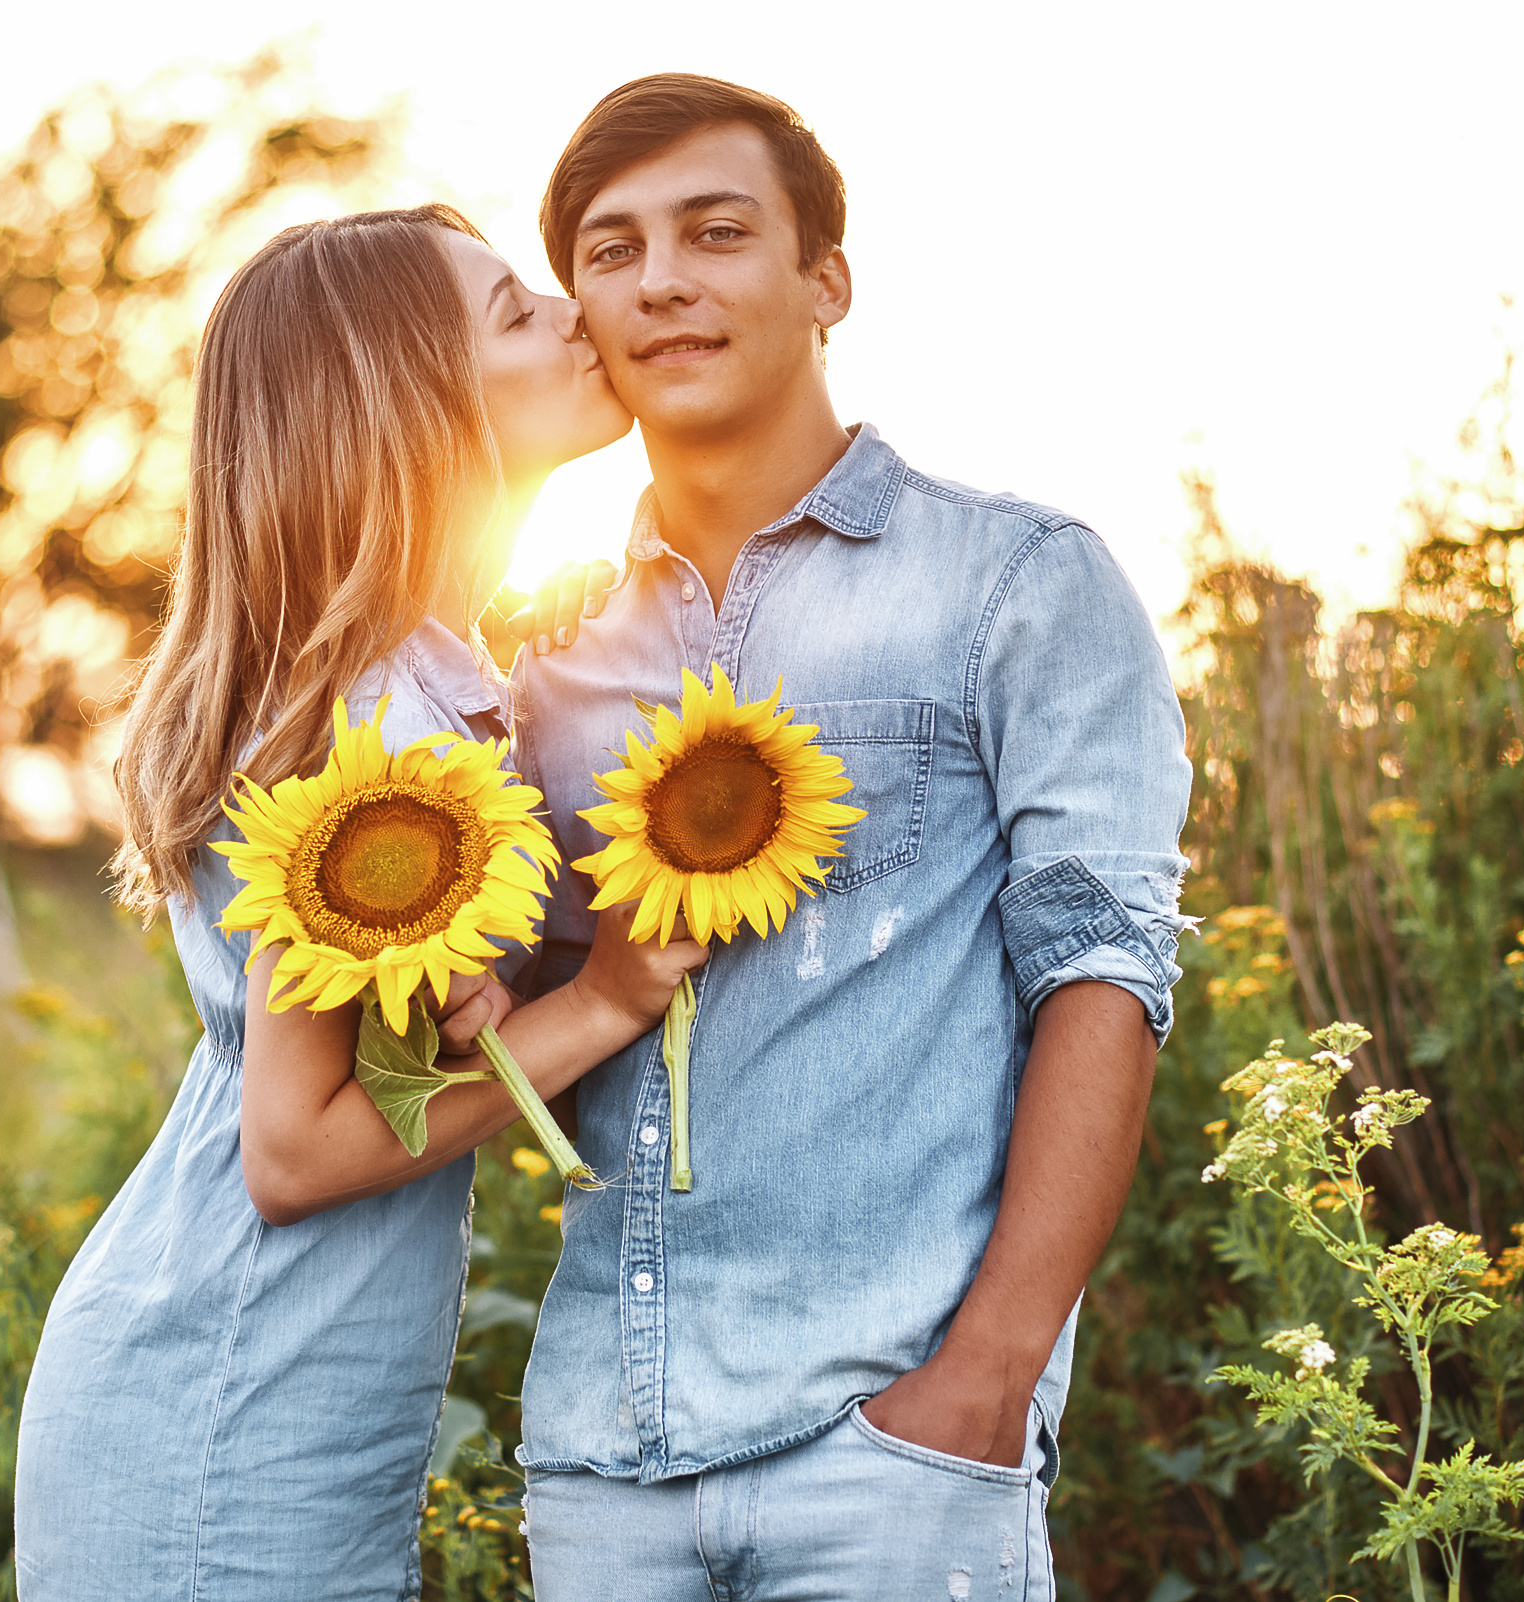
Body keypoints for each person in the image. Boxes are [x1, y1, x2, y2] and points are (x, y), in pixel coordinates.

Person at [507, 76, 1192, 1595]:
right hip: (603, 1466)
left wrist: (985, 1381)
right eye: (610, 252)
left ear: (829, 279)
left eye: (716, 230)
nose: (661, 277)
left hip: (887, 1453)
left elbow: (1106, 978)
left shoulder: (1017, 584)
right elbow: (512, 1031)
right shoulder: (538, 664)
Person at [14, 204, 706, 1601]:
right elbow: (295, 1148)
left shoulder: (416, 678)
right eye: (516, 312)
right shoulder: (377, 729)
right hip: (226, 1411)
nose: (575, 310)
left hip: (242, 1383)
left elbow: (366, 1076)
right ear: (408, 413)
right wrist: (603, 1004)